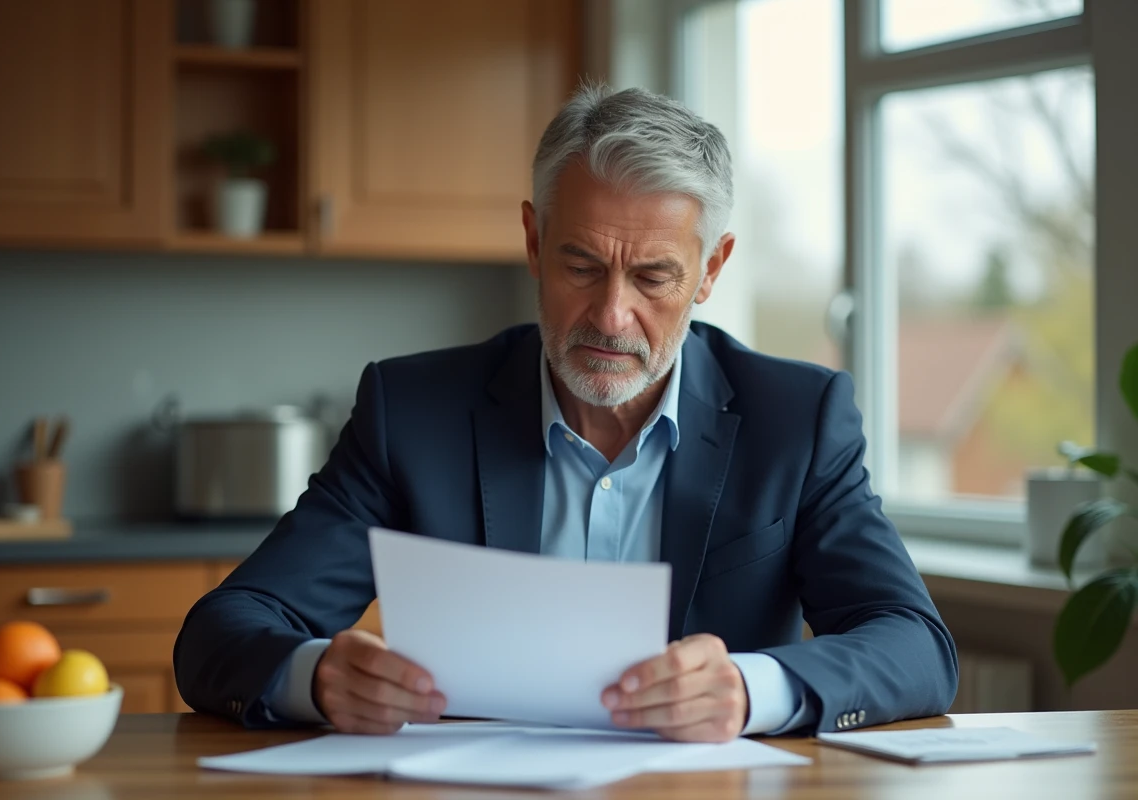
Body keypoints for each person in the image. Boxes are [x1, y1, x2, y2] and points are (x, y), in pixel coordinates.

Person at [174, 85, 957, 743]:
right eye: (581, 265)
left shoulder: (798, 419)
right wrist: (318, 677)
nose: (612, 317)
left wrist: (751, 691)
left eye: (654, 277)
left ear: (711, 270)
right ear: (533, 239)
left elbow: (916, 645)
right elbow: (223, 630)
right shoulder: (412, 413)